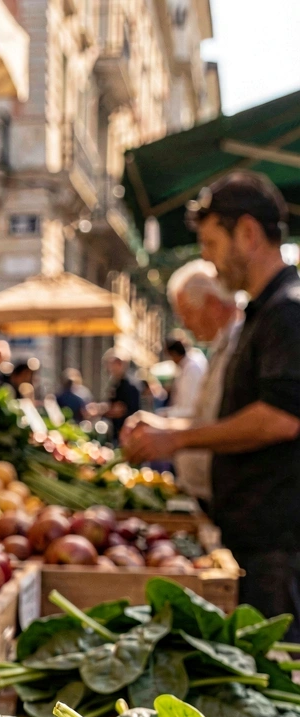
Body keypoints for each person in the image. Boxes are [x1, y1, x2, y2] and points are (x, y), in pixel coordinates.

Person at [124, 172, 300, 626]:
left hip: (279, 546)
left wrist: (178, 438)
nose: (207, 258)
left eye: (210, 243)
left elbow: (281, 418)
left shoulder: (287, 310)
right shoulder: (262, 313)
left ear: (247, 233)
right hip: (256, 539)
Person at [160, 259, 241, 506]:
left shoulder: (238, 346)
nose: (184, 324)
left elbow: (229, 425)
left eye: (187, 313)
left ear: (212, 304)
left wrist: (170, 433)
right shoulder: (222, 346)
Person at [163, 330, 208, 420]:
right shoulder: (187, 366)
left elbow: (190, 407)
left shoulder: (192, 368)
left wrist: (166, 415)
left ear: (174, 354)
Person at [101, 348, 141, 441]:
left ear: (118, 363)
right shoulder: (117, 382)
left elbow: (121, 409)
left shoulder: (128, 384)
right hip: (119, 432)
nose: (107, 367)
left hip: (127, 434)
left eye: (109, 364)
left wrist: (101, 410)